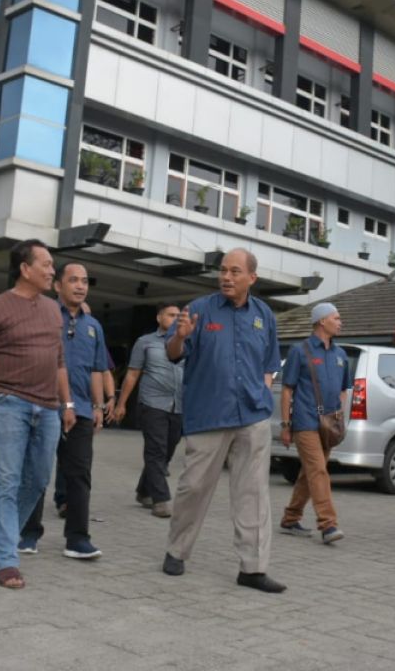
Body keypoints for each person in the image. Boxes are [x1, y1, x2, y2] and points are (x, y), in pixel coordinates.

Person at [161, 248, 285, 594]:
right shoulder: (199, 310)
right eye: (223, 271)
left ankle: (253, 568)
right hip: (209, 414)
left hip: (253, 416)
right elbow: (174, 354)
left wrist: (263, 391)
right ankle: (176, 550)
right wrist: (181, 335)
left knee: (253, 493)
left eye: (234, 271)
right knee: (194, 487)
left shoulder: (264, 315)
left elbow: (269, 363)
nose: (226, 277)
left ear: (251, 278)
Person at [0, 240, 75, 590]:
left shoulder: (54, 310)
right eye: (47, 264)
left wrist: (68, 404)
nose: (52, 270)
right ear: (25, 268)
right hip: (8, 405)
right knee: (6, 482)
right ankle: (6, 557)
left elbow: (59, 361)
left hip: (49, 408)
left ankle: (4, 533)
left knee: (37, 481)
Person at [18, 263, 108, 560]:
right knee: (37, 473)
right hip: (43, 407)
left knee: (79, 475)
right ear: (58, 286)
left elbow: (97, 369)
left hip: (81, 411)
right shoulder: (43, 316)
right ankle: (28, 534)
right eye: (73, 280)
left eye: (84, 281)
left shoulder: (94, 326)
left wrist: (97, 405)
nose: (80, 286)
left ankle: (77, 539)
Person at [278, 302, 350, 544]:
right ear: (322, 321)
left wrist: (339, 414)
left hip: (329, 424)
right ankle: (328, 525)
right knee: (318, 470)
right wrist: (286, 425)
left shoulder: (341, 355)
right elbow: (287, 390)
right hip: (305, 421)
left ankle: (290, 519)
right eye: (336, 318)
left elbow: (343, 390)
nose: (340, 322)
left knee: (309, 474)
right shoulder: (300, 351)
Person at [112, 302, 184, 519]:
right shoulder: (145, 342)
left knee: (167, 451)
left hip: (179, 405)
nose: (175, 319)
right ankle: (161, 499)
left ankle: (144, 490)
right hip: (152, 404)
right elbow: (133, 374)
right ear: (159, 318)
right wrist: (121, 403)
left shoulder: (186, 343)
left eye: (178, 316)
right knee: (156, 451)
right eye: (171, 315)